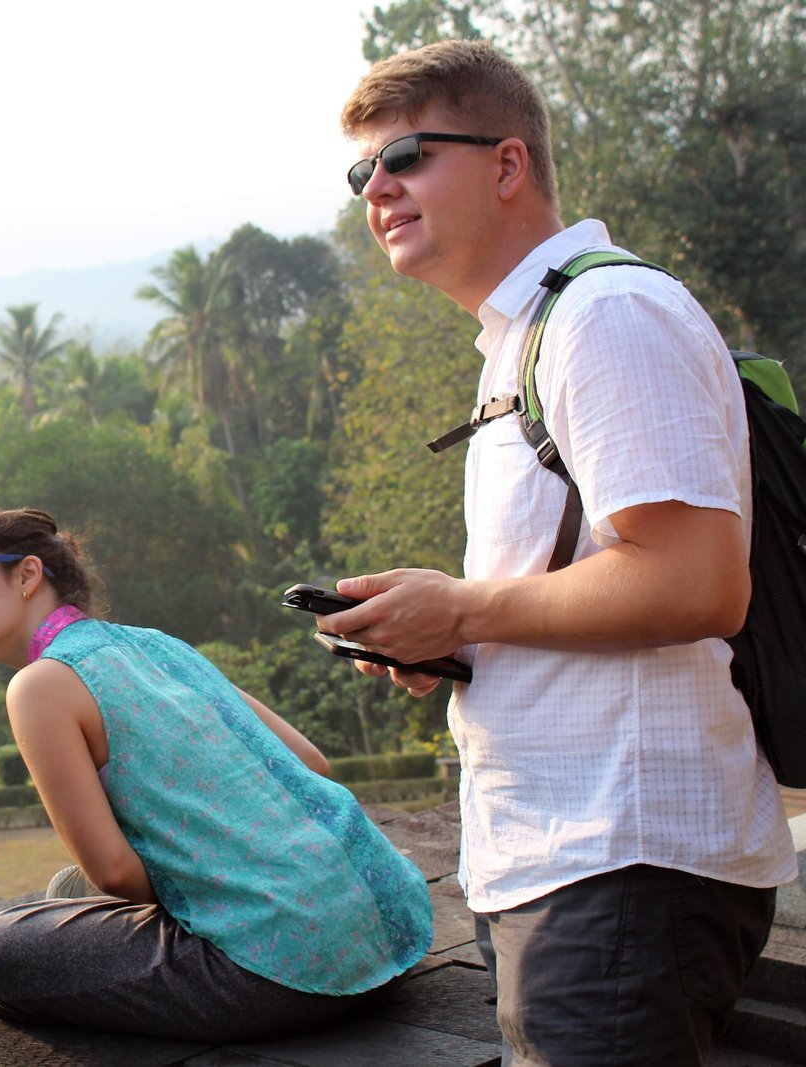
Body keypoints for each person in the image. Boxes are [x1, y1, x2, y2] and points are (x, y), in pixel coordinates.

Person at [335, 41, 796, 1065]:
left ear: (507, 164)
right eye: (362, 170)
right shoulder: (529, 333)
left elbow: (695, 580)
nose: (378, 188)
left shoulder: (607, 315)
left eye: (405, 155)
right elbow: (586, 581)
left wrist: (462, 607)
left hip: (624, 854)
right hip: (566, 854)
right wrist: (447, 635)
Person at [0, 505, 432, 1043]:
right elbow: (308, 761)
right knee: (67, 889)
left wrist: (211, 886)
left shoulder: (38, 687)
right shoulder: (156, 643)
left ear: (27, 574)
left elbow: (115, 874)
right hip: (390, 924)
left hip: (290, 968)